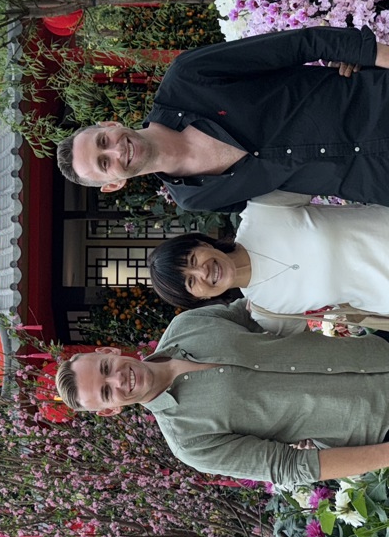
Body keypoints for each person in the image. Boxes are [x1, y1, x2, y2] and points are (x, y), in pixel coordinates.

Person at [55, 300, 389, 486]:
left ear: (109, 350)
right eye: (106, 392)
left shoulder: (188, 325)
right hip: (378, 422)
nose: (118, 379)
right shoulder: (189, 442)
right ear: (110, 410)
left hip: (376, 346)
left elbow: (260, 306)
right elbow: (290, 467)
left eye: (105, 368)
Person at [57, 25, 389, 212]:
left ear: (111, 126)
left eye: (104, 142)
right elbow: (288, 210)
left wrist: (373, 58)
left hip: (375, 103)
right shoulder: (197, 198)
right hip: (378, 181)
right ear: (114, 184)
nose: (116, 151)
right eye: (104, 163)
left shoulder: (188, 78)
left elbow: (301, 44)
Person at [147, 191, 389, 335]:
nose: (202, 270)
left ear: (203, 244)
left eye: (192, 259)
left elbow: (318, 171)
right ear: (197, 298)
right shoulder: (268, 312)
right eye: (191, 281)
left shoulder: (261, 211)